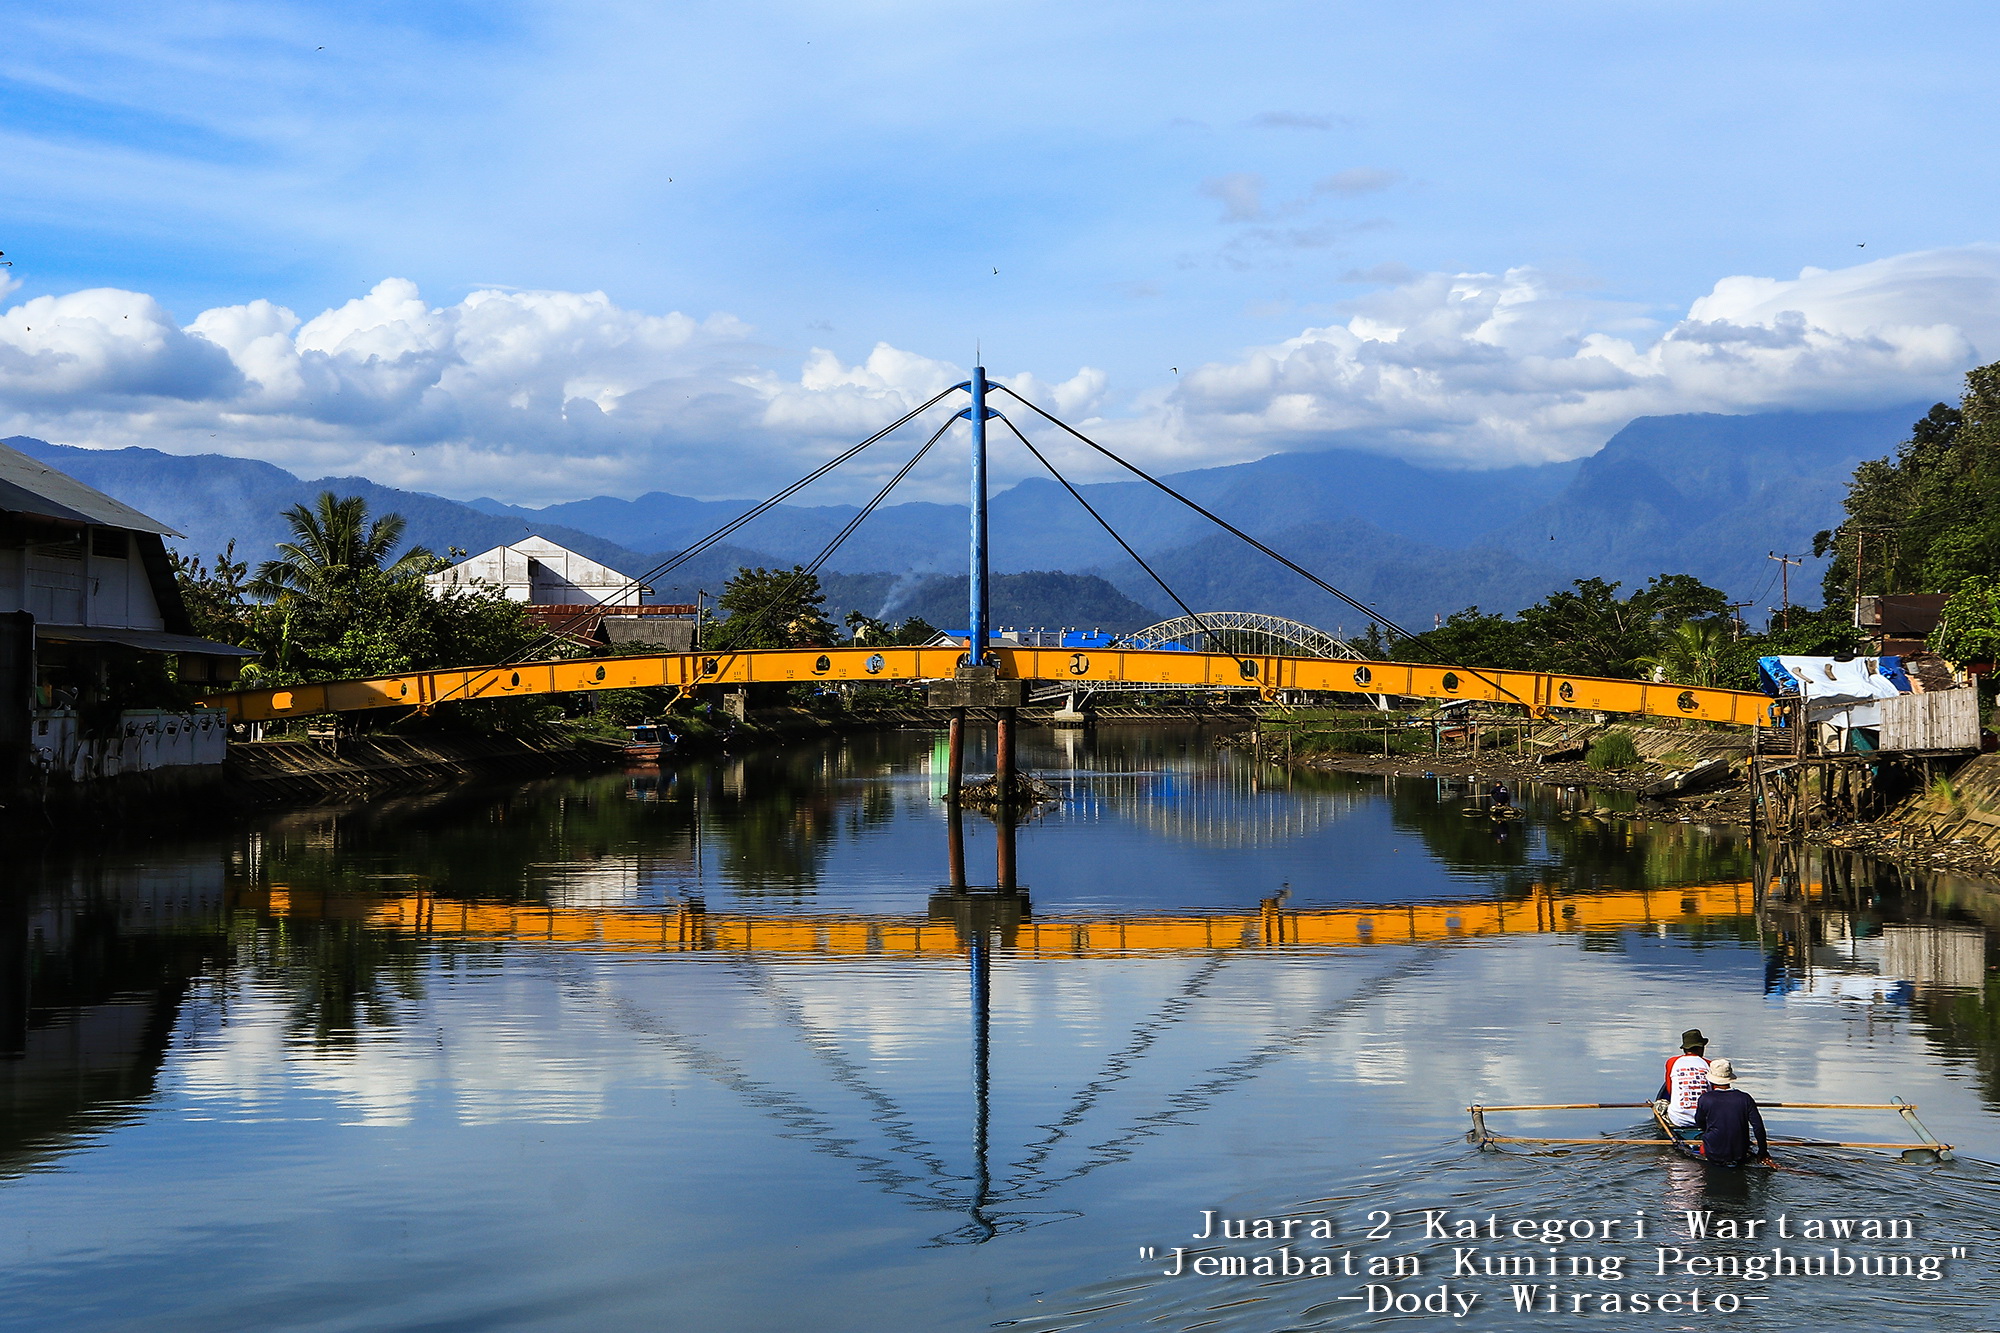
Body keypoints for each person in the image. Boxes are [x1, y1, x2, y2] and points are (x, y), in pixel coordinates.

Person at [1693, 1059, 1769, 1166]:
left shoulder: (1705, 1099)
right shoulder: (1745, 1098)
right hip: (1740, 1152)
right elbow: (1758, 1127)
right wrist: (1763, 1151)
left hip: (1713, 1152)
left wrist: (1707, 1131)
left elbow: (1699, 1122)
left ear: (1711, 1080)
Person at [1654, 1028, 1711, 1131]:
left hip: (1677, 1120)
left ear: (1684, 1049)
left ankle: (1664, 1130)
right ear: (1701, 1048)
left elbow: (1670, 1090)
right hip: (1705, 1120)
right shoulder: (1709, 1064)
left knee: (1659, 1105)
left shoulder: (1672, 1062)